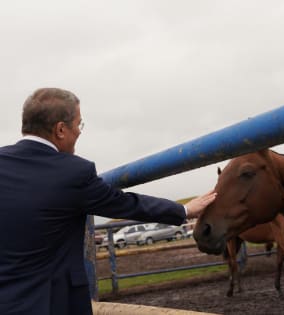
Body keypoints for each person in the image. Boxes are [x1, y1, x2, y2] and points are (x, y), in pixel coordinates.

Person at [0, 88, 217, 315]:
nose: (79, 132)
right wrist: (184, 209)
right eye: (79, 124)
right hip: (51, 303)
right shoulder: (74, 172)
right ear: (61, 129)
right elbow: (127, 203)